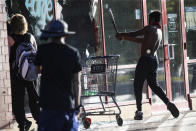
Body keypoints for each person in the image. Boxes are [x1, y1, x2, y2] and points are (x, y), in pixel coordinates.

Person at [115, 11, 179, 120]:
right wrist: (124, 38)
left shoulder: (149, 28)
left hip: (145, 60)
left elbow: (135, 33)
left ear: (153, 19)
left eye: (150, 18)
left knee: (137, 85)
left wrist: (122, 34)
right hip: (153, 61)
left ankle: (139, 111)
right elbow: (141, 40)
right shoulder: (158, 31)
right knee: (154, 86)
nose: (149, 20)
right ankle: (168, 103)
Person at [35, 19, 82, 131]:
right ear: (65, 35)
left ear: (50, 34)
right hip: (66, 105)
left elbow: (37, 71)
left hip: (48, 106)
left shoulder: (42, 50)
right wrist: (77, 106)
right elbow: (77, 83)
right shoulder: (73, 52)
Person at [8, 14, 40, 131]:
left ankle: (23, 124)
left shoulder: (10, 38)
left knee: (18, 99)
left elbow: (9, 56)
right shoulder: (30, 37)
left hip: (17, 74)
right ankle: (39, 120)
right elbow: (36, 52)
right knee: (34, 97)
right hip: (31, 72)